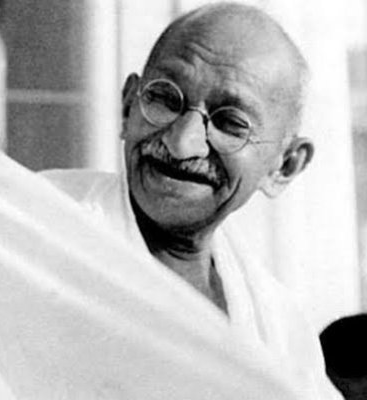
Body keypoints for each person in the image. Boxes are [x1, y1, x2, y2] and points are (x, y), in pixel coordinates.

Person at [41, 2, 341, 398]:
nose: (182, 143)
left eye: (230, 123)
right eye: (165, 99)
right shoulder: (32, 222)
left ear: (284, 165)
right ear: (128, 106)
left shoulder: (282, 329)